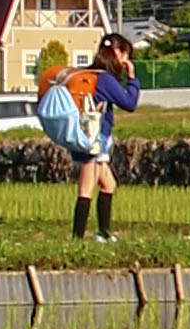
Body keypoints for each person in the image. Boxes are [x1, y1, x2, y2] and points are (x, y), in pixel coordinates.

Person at [55, 32, 140, 242]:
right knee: (86, 188)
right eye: (125, 55)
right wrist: (132, 78)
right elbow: (130, 104)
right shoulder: (105, 80)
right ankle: (78, 238)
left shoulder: (89, 75)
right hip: (93, 139)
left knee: (109, 184)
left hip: (90, 137)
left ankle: (104, 233)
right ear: (116, 53)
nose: (126, 61)